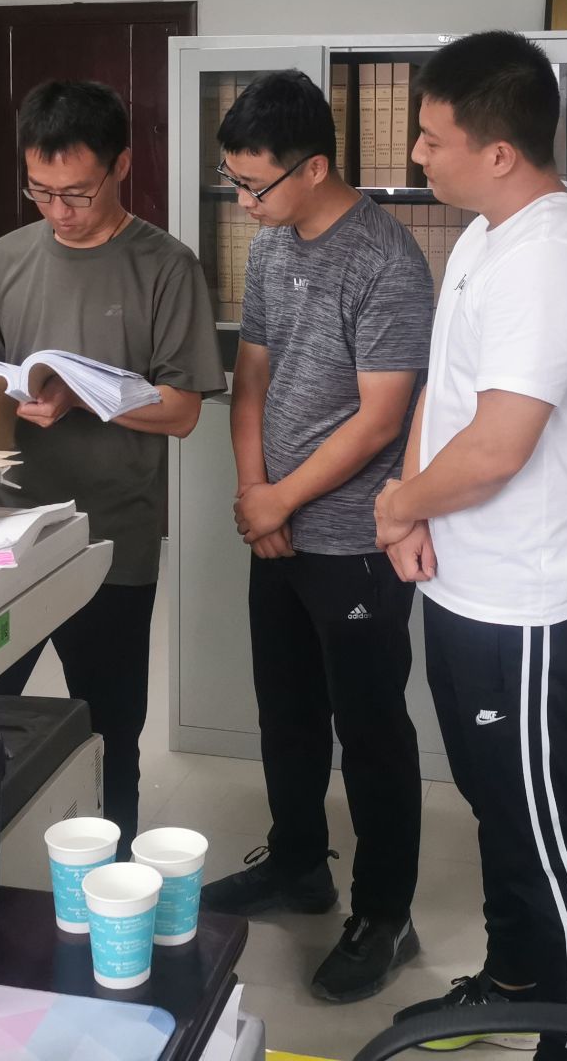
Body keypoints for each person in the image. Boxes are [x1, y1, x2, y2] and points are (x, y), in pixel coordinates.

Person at [375, 32, 567, 1057]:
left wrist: (397, 505)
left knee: (545, 836)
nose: (417, 155)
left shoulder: (550, 261)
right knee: (498, 810)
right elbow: (448, 393)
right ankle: (514, 982)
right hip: (465, 588)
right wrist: (413, 506)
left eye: (432, 138)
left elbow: (496, 447)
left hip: (526, 608)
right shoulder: (488, 235)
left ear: (499, 152)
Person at [0, 79, 223, 851]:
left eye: (77, 193)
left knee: (111, 731)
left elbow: (182, 410)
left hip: (109, 536)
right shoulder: (7, 257)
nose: (59, 211)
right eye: (41, 191)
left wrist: (83, 398)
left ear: (121, 166)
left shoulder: (165, 266)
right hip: (3, 536)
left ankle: (113, 876)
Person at [198, 70, 433, 1002]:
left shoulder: (386, 259)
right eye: (233, 181)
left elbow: (382, 418)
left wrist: (282, 500)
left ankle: (386, 913)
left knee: (371, 731)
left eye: (254, 185)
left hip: (357, 541)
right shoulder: (270, 246)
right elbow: (250, 377)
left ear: (316, 168)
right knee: (286, 711)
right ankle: (300, 863)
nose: (243, 202)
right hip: (280, 528)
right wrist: (255, 495)